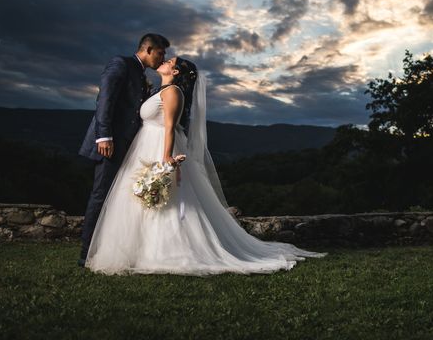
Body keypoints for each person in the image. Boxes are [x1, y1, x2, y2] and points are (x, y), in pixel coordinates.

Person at [85, 57, 326, 275]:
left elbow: (170, 127)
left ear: (176, 71)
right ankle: (138, 249)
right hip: (144, 145)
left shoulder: (173, 92)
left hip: (159, 145)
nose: (165, 60)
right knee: (142, 200)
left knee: (168, 201)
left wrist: (166, 157)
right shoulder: (163, 90)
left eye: (169, 61)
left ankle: (168, 251)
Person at [78, 34, 170, 267]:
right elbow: (105, 100)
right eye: (161, 53)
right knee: (100, 195)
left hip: (129, 146)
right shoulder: (121, 64)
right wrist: (104, 136)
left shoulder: (140, 73)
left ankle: (109, 247)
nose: (163, 58)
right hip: (110, 143)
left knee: (116, 197)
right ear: (148, 49)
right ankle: (86, 254)